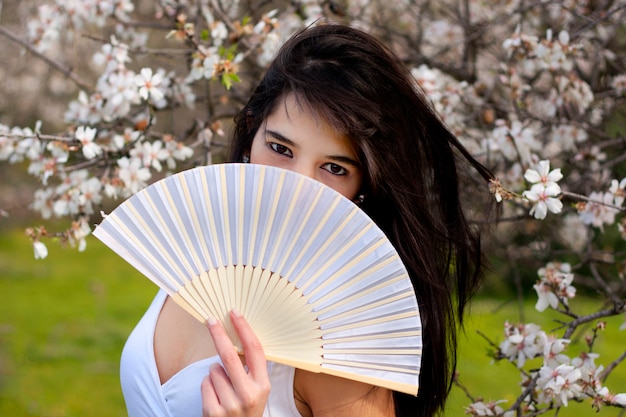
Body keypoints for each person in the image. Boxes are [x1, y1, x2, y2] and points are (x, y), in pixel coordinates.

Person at [119, 23, 493, 417]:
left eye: (333, 167)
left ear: (363, 187)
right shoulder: (201, 254)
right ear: (250, 133)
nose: (296, 186)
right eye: (280, 147)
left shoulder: (342, 344)